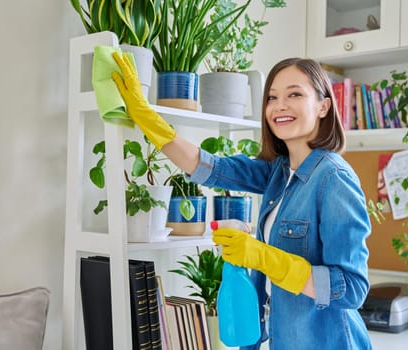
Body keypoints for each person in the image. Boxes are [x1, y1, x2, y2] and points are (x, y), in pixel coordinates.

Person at [112, 53, 372, 349]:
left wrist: (262, 257)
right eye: (272, 98)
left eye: (295, 94)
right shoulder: (279, 173)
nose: (280, 106)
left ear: (324, 106)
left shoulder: (334, 179)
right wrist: (146, 117)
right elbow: (209, 167)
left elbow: (351, 289)